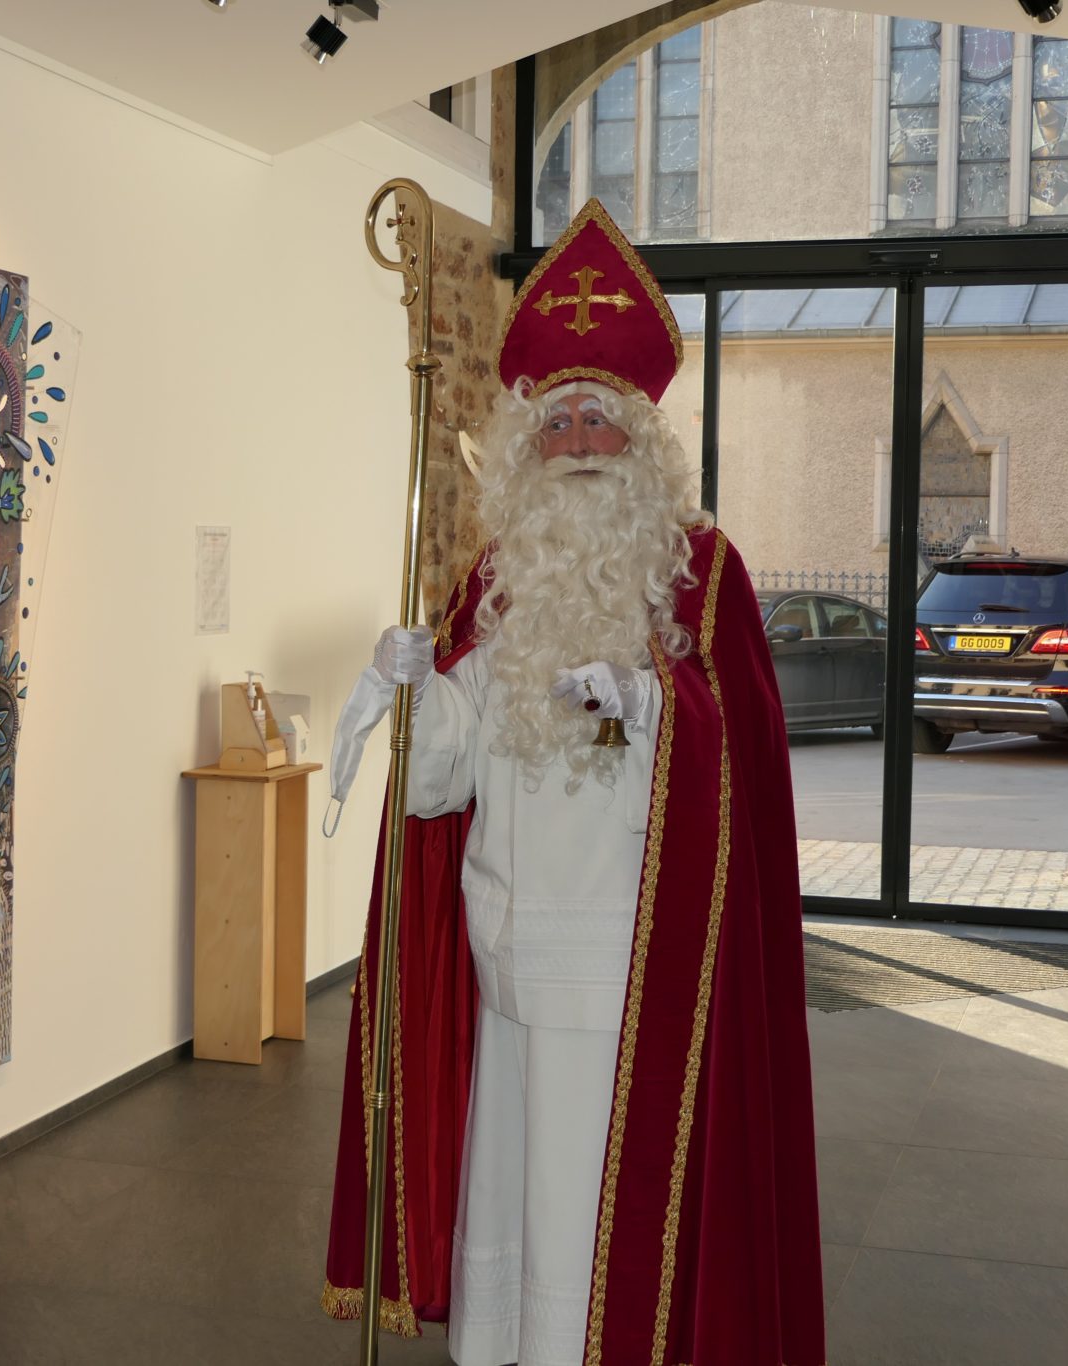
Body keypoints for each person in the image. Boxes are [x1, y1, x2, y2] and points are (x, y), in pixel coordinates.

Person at [322, 200, 824, 1366]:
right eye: (559, 421)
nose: (583, 439)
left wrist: (649, 704)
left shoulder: (705, 577)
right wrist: (407, 688)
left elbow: (741, 768)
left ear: (643, 441)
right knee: (519, 1188)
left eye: (603, 418)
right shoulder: (498, 580)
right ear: (526, 447)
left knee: (596, 1205)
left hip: (630, 972)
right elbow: (440, 783)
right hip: (507, 950)